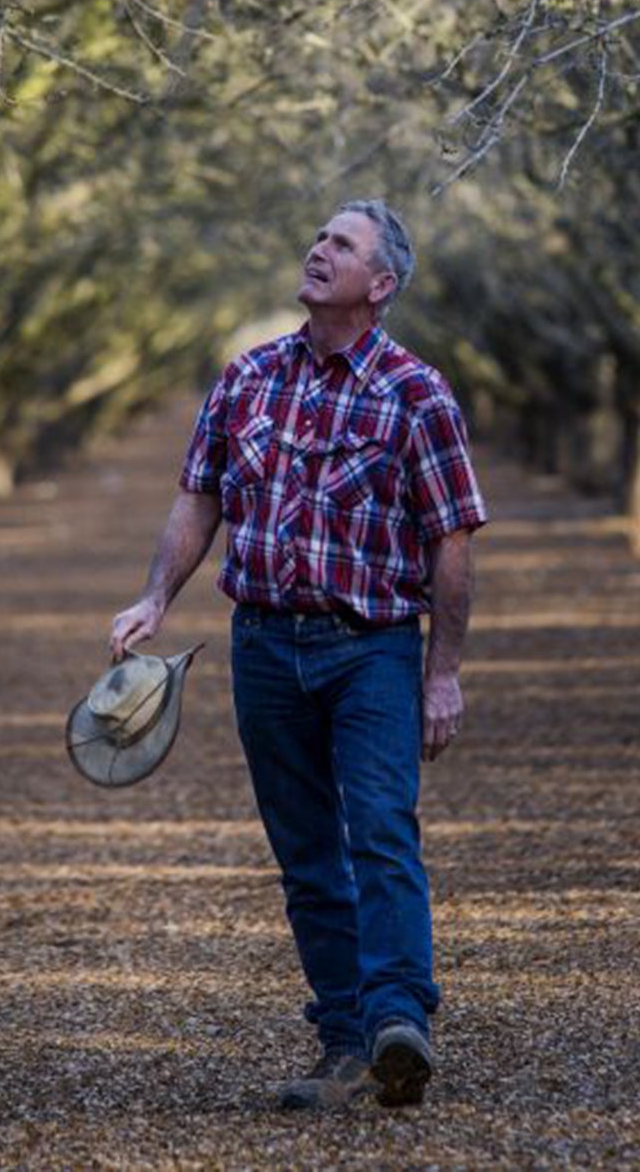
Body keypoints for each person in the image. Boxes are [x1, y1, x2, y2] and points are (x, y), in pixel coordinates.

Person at [110, 199, 486, 1111]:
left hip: (372, 650)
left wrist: (442, 672)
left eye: (342, 245)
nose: (319, 251)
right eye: (319, 237)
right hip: (266, 647)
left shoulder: (417, 393)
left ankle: (401, 1020)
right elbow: (198, 500)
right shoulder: (247, 380)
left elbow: (451, 543)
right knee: (308, 851)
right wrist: (158, 594)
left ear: (381, 283)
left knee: (382, 833)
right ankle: (346, 1040)